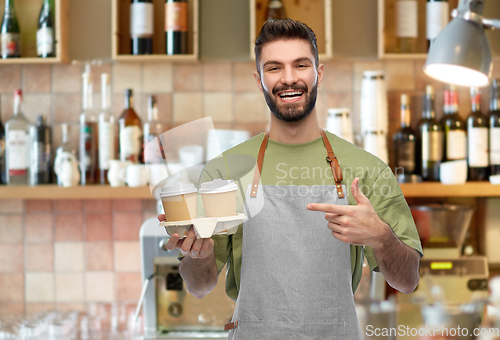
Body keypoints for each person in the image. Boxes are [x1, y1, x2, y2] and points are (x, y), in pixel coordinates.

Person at [159, 18, 422, 339]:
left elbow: (407, 281)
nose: (288, 78)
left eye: (300, 65)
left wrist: (382, 237)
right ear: (259, 80)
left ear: (318, 73)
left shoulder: (367, 169)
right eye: (274, 68)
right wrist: (197, 257)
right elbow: (200, 286)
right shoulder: (225, 170)